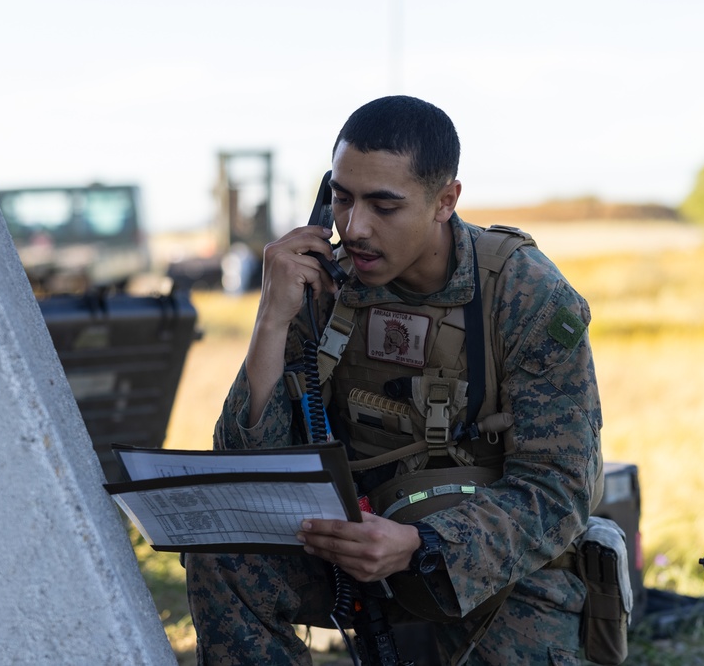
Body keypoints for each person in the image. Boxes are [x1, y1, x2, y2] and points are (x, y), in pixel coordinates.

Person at [185, 95, 602, 665]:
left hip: (481, 564)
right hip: (352, 550)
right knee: (222, 553)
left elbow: (560, 493)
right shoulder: (324, 282)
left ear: (445, 201)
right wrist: (272, 318)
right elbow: (245, 464)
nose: (355, 228)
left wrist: (423, 545)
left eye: (384, 206)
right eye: (341, 199)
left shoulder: (524, 295)